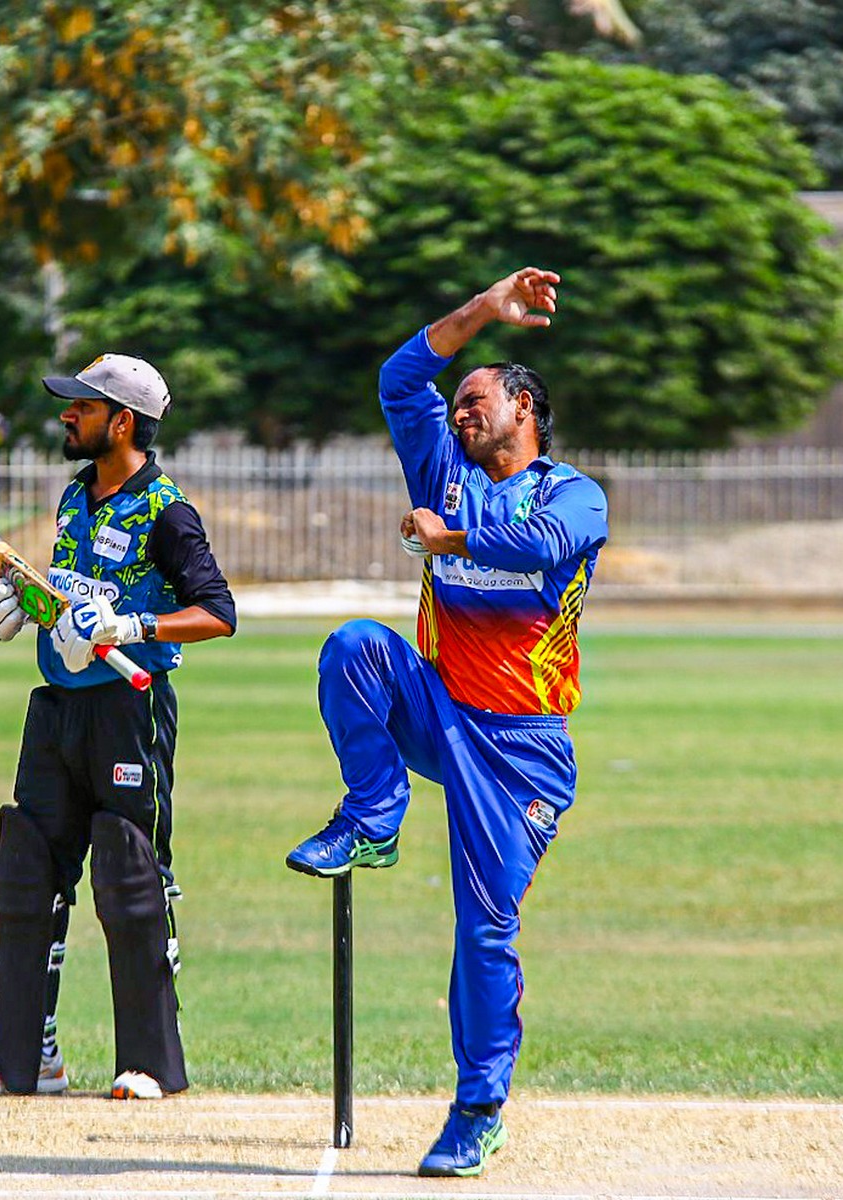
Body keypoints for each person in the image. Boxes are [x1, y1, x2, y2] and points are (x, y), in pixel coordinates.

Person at [286, 268, 608, 1176]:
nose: (459, 413)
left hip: (522, 749)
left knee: (484, 929)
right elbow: (398, 380)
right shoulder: (443, 471)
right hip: (441, 707)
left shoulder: (574, 493)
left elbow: (542, 547)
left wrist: (449, 540)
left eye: (476, 400)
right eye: (456, 402)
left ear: (523, 408)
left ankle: (477, 1110)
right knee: (355, 647)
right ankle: (372, 816)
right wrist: (478, 313)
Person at [0, 353, 236, 1101]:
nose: (66, 415)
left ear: (123, 422)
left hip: (128, 712)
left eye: (82, 406)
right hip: (57, 708)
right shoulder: (76, 495)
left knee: (129, 873)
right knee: (27, 874)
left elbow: (218, 612)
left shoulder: (166, 509)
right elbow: (67, 599)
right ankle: (23, 1059)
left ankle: (149, 1063)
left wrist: (130, 625)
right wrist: (21, 607)